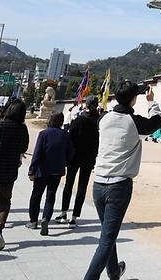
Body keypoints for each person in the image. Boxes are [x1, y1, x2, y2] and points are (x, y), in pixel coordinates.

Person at [83, 81, 161, 280]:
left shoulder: (104, 118)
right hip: (119, 185)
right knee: (106, 239)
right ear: (135, 99)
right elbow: (157, 122)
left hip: (99, 184)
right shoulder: (134, 122)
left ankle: (113, 272)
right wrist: (152, 101)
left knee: (108, 235)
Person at [0, 97, 30, 250]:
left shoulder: (0, 125)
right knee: (5, 200)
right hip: (10, 170)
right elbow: (24, 146)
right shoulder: (22, 129)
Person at [56, 94, 100, 227]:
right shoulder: (99, 121)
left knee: (69, 183)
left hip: (75, 156)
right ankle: (74, 217)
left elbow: (70, 138)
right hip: (89, 157)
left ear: (86, 105)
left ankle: (64, 213)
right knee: (82, 186)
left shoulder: (78, 120)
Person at [27, 110, 74, 234]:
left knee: (36, 195)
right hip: (57, 170)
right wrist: (65, 162)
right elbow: (71, 153)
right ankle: (46, 219)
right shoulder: (65, 135)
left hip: (42, 169)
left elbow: (37, 153)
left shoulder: (43, 134)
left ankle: (33, 220)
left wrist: (32, 170)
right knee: (50, 196)